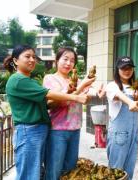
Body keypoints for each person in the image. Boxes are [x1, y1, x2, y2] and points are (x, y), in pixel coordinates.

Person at [4, 45, 90, 180]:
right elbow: (49, 94)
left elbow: (48, 104)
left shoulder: (29, 81)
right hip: (29, 131)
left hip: (37, 130)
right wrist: (76, 96)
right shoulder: (18, 80)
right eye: (27, 56)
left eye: (34, 57)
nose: (32, 60)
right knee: (30, 174)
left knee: (36, 172)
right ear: (15, 60)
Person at [42, 47, 104, 180]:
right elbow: (55, 102)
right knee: (54, 170)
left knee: (70, 171)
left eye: (72, 60)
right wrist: (81, 88)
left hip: (75, 129)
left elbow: (85, 96)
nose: (68, 63)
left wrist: (96, 92)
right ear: (57, 60)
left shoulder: (75, 80)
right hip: (57, 130)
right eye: (65, 59)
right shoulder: (50, 78)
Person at [105, 56, 138, 180]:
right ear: (117, 70)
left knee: (129, 170)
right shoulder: (112, 85)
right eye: (123, 68)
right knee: (115, 171)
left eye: (129, 68)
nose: (127, 71)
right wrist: (131, 102)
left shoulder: (137, 87)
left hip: (134, 134)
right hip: (119, 135)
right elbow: (118, 95)